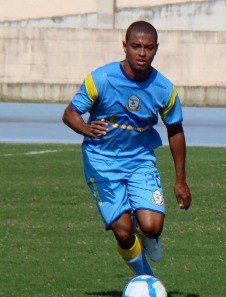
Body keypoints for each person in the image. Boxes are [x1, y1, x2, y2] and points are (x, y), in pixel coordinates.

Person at [62, 21, 191, 277]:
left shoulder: (164, 88)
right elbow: (70, 114)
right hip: (101, 162)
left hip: (140, 160)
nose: (142, 53)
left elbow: (175, 130)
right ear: (125, 46)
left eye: (148, 47)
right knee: (122, 231)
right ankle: (146, 279)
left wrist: (180, 179)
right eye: (136, 46)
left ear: (156, 49)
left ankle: (146, 233)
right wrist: (85, 129)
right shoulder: (100, 79)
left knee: (153, 226)